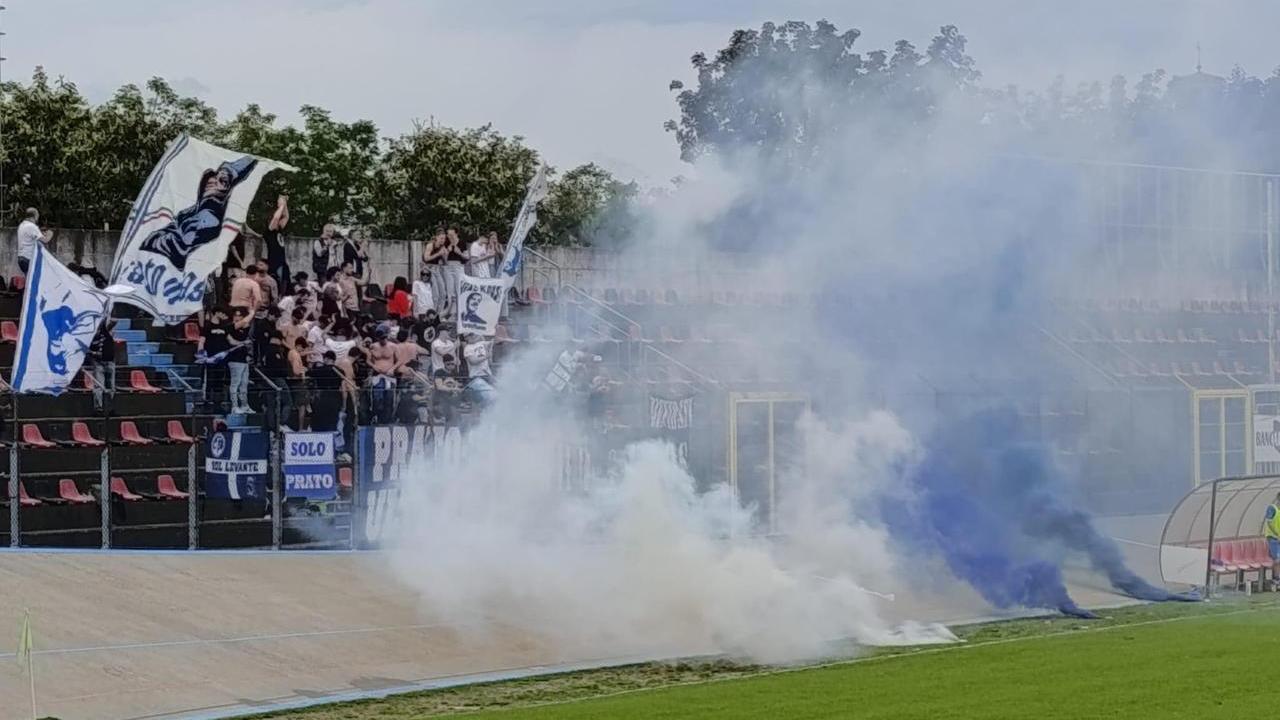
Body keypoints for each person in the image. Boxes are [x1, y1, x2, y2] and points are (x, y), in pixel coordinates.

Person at [200, 306, 232, 409]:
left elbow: (230, 340)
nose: (224, 316)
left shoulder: (225, 327)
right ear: (217, 313)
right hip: (210, 358)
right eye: (222, 313)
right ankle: (207, 400)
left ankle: (218, 402)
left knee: (219, 379)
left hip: (221, 358)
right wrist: (201, 355)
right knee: (209, 379)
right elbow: (201, 341)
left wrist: (242, 342)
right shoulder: (207, 326)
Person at [226, 307, 254, 414]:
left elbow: (248, 329)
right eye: (235, 315)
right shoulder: (229, 327)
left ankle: (244, 405)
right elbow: (231, 342)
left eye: (239, 316)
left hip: (244, 359)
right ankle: (234, 406)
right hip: (234, 359)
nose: (237, 317)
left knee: (244, 383)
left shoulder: (244, 329)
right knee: (235, 383)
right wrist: (243, 343)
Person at [309, 351, 344, 432]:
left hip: (322, 396)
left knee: (320, 420)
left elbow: (308, 373)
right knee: (332, 420)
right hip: (335, 396)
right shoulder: (340, 371)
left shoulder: (319, 370)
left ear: (326, 359)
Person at [88, 318, 117, 413]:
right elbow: (88, 351)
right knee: (99, 386)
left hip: (109, 362)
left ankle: (110, 408)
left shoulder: (107, 332)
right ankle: (98, 408)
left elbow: (114, 321)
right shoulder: (92, 337)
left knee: (111, 387)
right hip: (98, 363)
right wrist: (94, 354)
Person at [264, 195, 291, 292]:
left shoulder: (279, 230)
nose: (279, 221)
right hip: (274, 262)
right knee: (277, 283)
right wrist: (281, 205)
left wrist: (285, 203)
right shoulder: (269, 232)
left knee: (285, 282)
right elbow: (276, 218)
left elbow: (286, 217)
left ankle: (282, 297)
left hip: (282, 261)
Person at [462, 334, 496, 405]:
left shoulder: (482, 343)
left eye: (473, 334)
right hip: (476, 376)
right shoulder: (467, 348)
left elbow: (493, 342)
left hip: (487, 375)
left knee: (494, 397)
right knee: (483, 400)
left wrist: (491, 338)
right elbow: (472, 361)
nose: (472, 336)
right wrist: (486, 357)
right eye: (470, 335)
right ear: (466, 338)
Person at [422, 231, 449, 317]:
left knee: (443, 294)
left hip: (437, 270)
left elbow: (445, 263)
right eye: (441, 238)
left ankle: (439, 314)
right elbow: (426, 258)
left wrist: (445, 255)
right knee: (436, 294)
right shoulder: (430, 245)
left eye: (444, 239)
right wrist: (438, 254)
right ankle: (432, 313)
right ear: (436, 237)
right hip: (429, 269)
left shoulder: (442, 247)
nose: (443, 240)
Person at [16, 207, 45, 275]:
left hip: (21, 258)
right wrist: (50, 234)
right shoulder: (32, 226)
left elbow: (31, 239)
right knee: (34, 277)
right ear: (34, 216)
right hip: (28, 258)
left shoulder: (22, 225)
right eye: (37, 216)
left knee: (28, 278)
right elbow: (45, 240)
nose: (37, 219)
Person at [1265, 492, 1280, 590]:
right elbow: (1269, 522)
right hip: (1273, 538)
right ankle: (1276, 580)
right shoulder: (1272, 508)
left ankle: (1276, 579)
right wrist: (1277, 534)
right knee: (1277, 559)